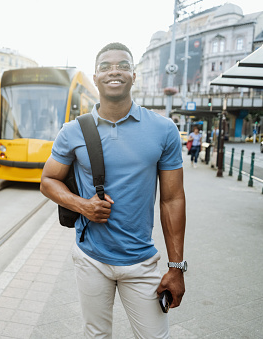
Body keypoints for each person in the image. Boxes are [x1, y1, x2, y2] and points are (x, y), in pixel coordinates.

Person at [40, 42, 186, 338]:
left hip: (142, 261)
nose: (113, 71)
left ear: (134, 75)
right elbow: (48, 180)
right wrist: (82, 205)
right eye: (105, 66)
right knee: (95, 335)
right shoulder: (73, 131)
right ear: (95, 77)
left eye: (122, 65)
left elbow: (172, 199)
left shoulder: (163, 129)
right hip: (90, 257)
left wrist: (176, 267)